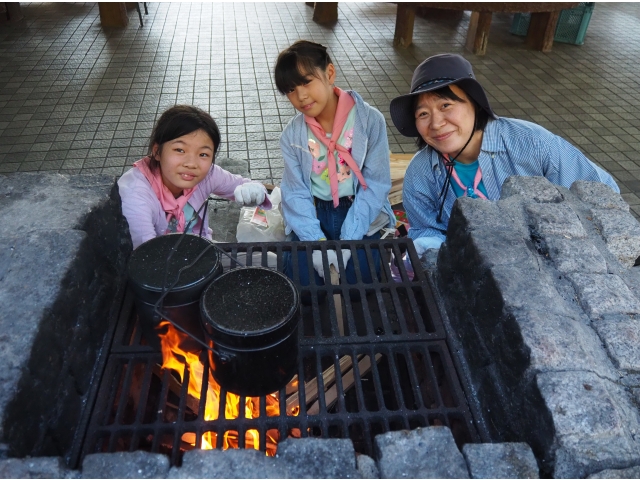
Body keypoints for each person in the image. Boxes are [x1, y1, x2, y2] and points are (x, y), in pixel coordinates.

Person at [389, 53, 619, 256]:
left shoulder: (532, 143)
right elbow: (425, 228)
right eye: (423, 114)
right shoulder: (420, 173)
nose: (436, 123)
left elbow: (600, 193)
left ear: (475, 104)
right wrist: (433, 247)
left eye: (446, 105)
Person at [274, 40, 394, 285]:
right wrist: (316, 242)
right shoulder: (292, 135)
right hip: (314, 210)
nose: (301, 96)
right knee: (303, 282)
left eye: (306, 81)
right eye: (290, 90)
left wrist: (349, 239)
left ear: (329, 73)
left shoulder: (370, 121)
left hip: (359, 208)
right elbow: (295, 192)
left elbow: (375, 184)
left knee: (361, 279)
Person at [118, 105, 271, 249]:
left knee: (270, 261)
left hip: (200, 251)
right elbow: (147, 255)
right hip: (159, 266)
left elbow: (243, 185)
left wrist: (254, 190)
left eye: (203, 154)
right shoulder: (136, 195)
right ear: (157, 151)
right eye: (180, 150)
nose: (191, 164)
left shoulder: (208, 174)